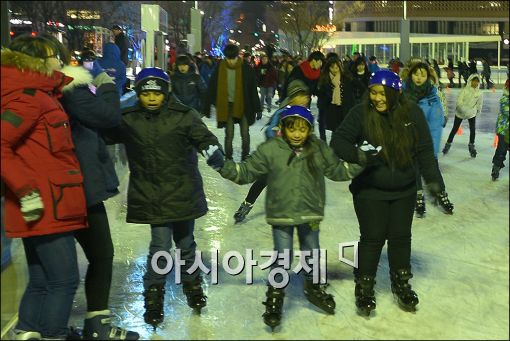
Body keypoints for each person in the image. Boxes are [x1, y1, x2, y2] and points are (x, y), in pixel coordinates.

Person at [214, 105, 364, 330]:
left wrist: (363, 159)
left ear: (309, 130)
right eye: (292, 129)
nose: (297, 134)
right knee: (282, 256)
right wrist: (221, 165)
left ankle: (314, 287)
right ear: (283, 128)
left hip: (309, 211)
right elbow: (244, 172)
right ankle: (276, 294)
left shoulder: (318, 148)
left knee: (311, 250)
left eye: (302, 129)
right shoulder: (271, 149)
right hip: (281, 213)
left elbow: (337, 171)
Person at [102, 67, 223, 330]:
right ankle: (153, 296)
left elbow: (205, 138)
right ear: (139, 94)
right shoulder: (129, 118)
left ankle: (193, 286)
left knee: (186, 244)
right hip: (152, 195)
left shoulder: (184, 116)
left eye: (157, 93)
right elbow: (102, 130)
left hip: (182, 192)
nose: (152, 98)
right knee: (160, 246)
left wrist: (214, 153)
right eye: (146, 93)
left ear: (166, 93)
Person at [40, 34, 140, 340]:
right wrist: (106, 84)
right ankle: (87, 326)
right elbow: (107, 115)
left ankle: (41, 327)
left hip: (53, 183)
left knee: (49, 268)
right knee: (96, 255)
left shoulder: (36, 91)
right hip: (77, 184)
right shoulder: (67, 87)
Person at [330, 70, 447, 317]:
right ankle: (364, 286)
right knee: (372, 238)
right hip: (369, 190)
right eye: (373, 92)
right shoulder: (360, 113)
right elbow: (339, 141)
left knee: (401, 237)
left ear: (395, 94)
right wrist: (359, 155)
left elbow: (425, 151)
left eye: (382, 93)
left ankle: (401, 282)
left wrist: (435, 182)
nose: (377, 98)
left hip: (404, 189)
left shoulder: (411, 113)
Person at [1, 34, 87, 340]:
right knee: (64, 280)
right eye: (54, 55)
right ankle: (54, 335)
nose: (59, 60)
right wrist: (26, 191)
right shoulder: (29, 97)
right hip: (45, 203)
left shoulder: (42, 93)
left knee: (41, 279)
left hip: (49, 200)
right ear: (36, 59)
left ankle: (27, 331)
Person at [232, 79, 311, 223]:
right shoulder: (283, 112)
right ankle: (246, 205)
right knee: (263, 180)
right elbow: (270, 130)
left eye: (307, 96)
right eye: (303, 96)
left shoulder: (305, 113)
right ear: (293, 97)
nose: (306, 99)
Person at [401, 62, 454, 217]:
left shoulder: (432, 96)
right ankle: (418, 194)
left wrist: (432, 148)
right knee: (414, 169)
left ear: (428, 77)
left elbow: (436, 125)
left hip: (426, 142)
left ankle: (440, 192)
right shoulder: (402, 94)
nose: (419, 78)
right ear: (410, 75)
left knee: (432, 168)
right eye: (416, 74)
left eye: (422, 75)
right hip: (408, 140)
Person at [203, 44, 261, 161]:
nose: (230, 61)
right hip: (227, 106)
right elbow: (212, 87)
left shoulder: (246, 68)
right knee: (229, 134)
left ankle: (245, 156)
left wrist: (257, 108)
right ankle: (228, 158)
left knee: (245, 134)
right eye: (228, 58)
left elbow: (252, 90)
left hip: (243, 105)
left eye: (232, 58)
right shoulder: (220, 68)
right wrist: (207, 106)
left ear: (236, 56)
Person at [442, 73, 483, 158]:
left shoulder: (479, 93)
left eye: (477, 82)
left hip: (471, 113)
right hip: (460, 113)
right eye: (474, 81)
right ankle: (448, 144)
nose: (475, 83)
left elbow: (479, 104)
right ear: (470, 81)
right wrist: (463, 109)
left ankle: (471, 146)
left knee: (473, 130)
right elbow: (459, 103)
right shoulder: (464, 91)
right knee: (455, 129)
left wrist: (476, 111)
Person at [316, 58, 355, 143]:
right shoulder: (325, 79)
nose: (335, 70)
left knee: (342, 128)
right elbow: (320, 93)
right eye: (332, 67)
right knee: (334, 129)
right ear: (328, 68)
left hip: (343, 107)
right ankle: (334, 145)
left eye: (337, 67)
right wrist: (327, 92)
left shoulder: (345, 78)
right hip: (331, 108)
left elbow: (349, 94)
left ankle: (339, 144)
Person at [491, 79, 509, 181]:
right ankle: (496, 168)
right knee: (502, 149)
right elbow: (507, 112)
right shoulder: (504, 99)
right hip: (503, 129)